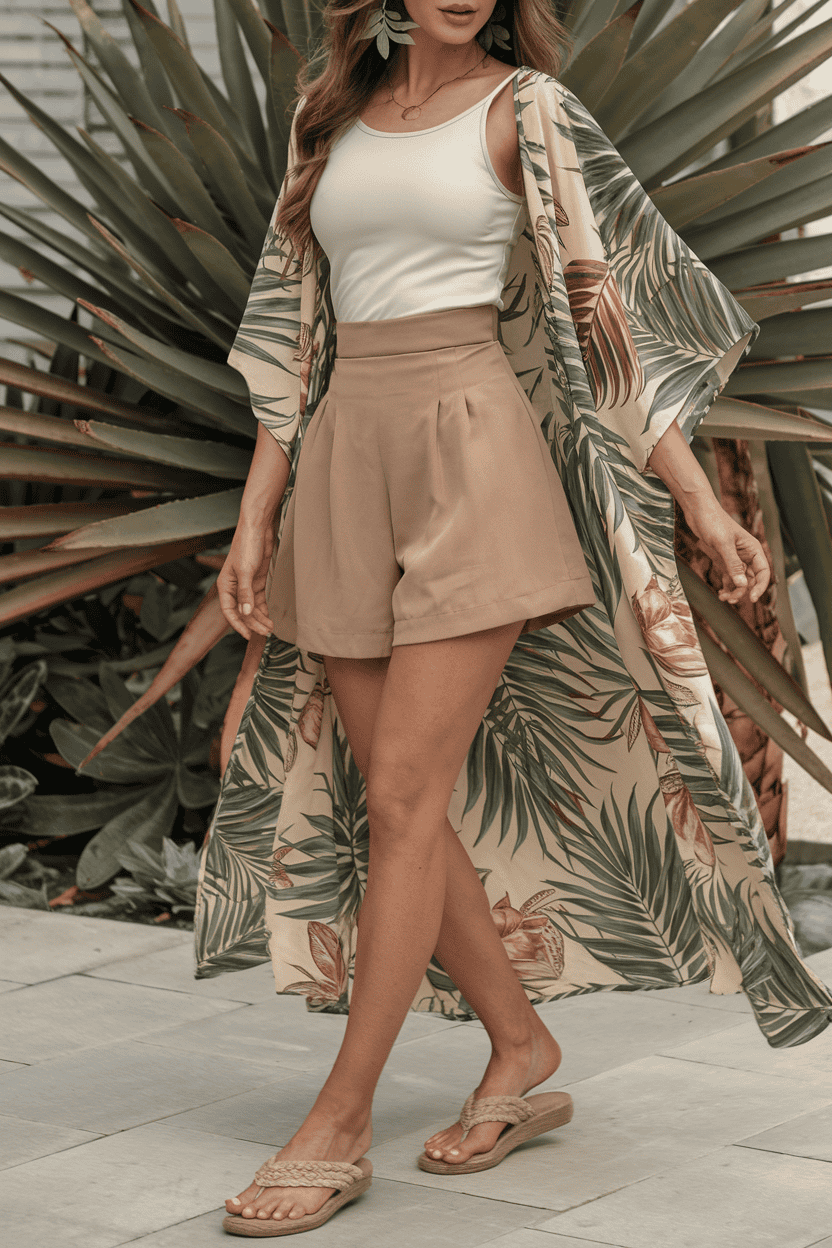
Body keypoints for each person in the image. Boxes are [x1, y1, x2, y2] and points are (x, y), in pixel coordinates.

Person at [203, 0, 832, 1236]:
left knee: (399, 798)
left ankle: (337, 1122)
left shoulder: (527, 111)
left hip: (473, 454)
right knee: (403, 798)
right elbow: (291, 328)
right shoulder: (324, 114)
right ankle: (521, 1047)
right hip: (343, 457)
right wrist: (254, 516)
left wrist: (698, 498)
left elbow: (613, 324)